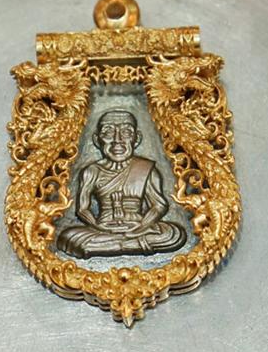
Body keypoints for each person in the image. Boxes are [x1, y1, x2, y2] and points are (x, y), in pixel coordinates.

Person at [57, 109, 186, 258]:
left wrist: (141, 226)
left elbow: (159, 205)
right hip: (103, 228)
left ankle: (111, 246)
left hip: (138, 227)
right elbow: (82, 209)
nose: (117, 140)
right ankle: (126, 244)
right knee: (67, 236)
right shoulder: (92, 171)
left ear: (136, 139)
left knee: (173, 234)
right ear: (97, 140)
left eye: (125, 133)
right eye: (108, 133)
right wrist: (100, 227)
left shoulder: (146, 169)